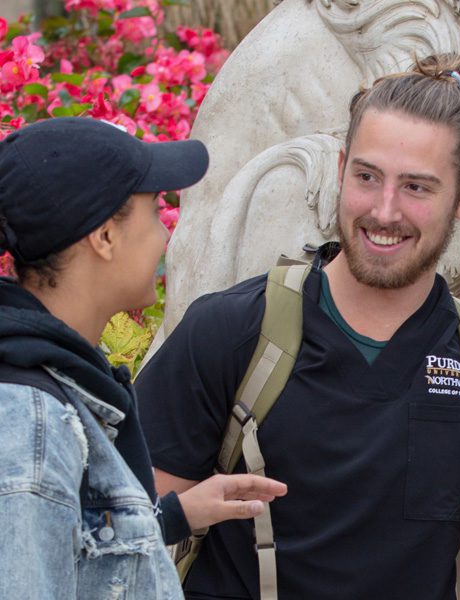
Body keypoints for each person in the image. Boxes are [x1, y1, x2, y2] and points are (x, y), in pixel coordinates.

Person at [135, 54, 460, 600]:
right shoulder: (232, 332)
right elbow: (123, 544)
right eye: (367, 176)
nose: (384, 210)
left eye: (417, 188)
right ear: (339, 168)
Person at [0, 117, 287, 599]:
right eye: (153, 211)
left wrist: (171, 515)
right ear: (104, 238)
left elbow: (66, 551)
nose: (164, 236)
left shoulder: (57, 373)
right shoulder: (33, 429)